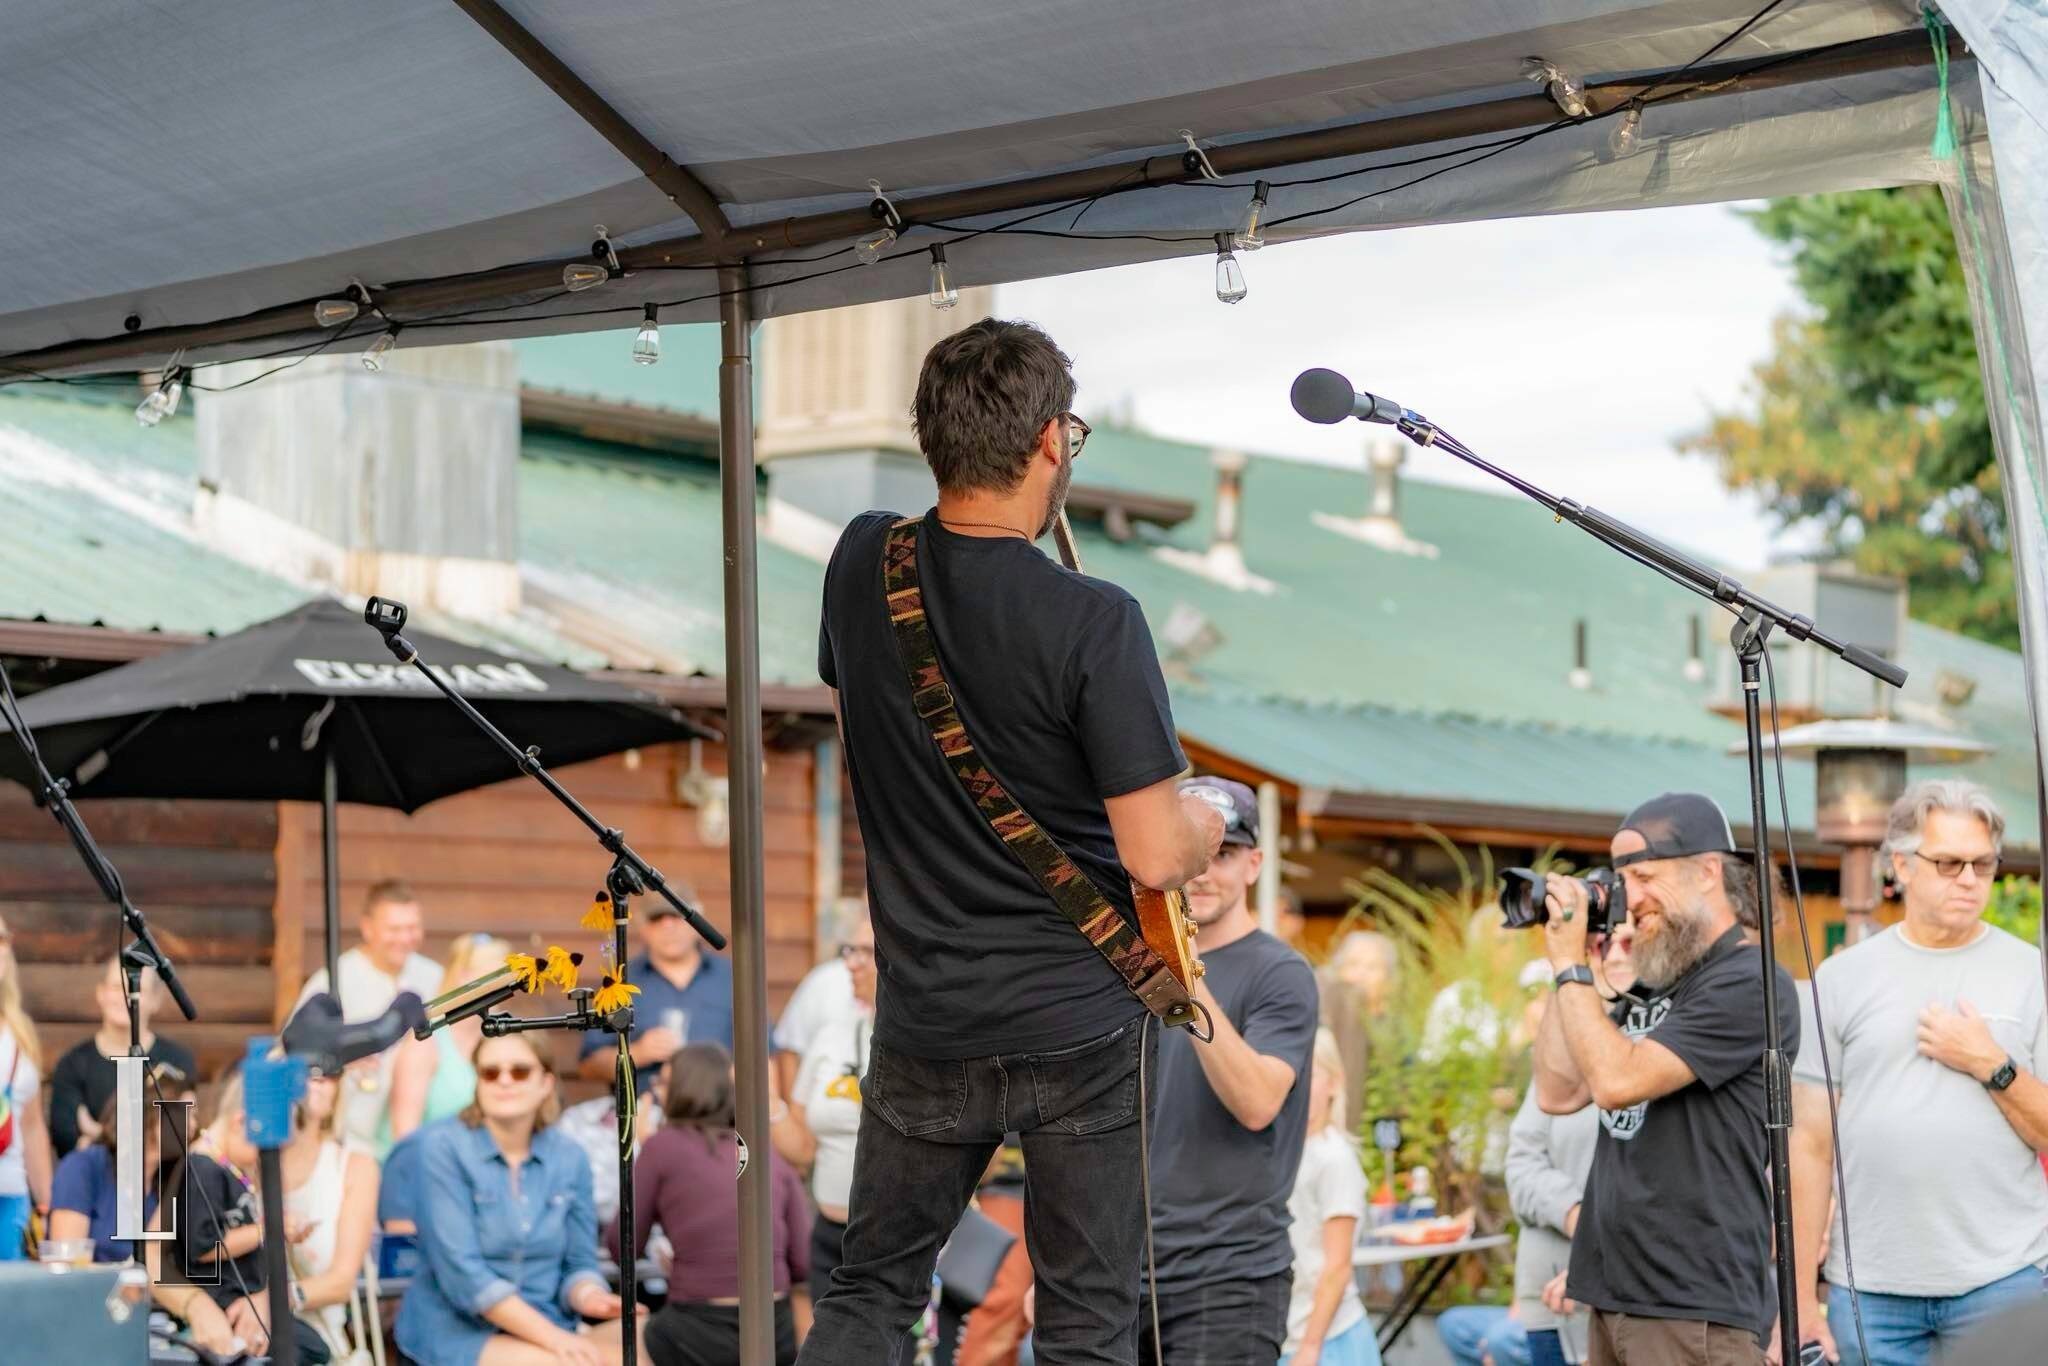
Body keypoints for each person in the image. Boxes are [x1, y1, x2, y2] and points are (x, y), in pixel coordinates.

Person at [800, 319, 1224, 1366]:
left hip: (925, 1006)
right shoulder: (1094, 621)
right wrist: (1212, 811)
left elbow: (860, 733)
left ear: (929, 438)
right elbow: (1157, 856)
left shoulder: (863, 563)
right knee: (1083, 1317)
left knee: (868, 1291)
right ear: (1050, 442)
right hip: (1078, 1019)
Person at [1533, 791, 1800, 1365]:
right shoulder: (1657, 983)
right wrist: (1574, 959)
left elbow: (1614, 1082)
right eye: (1622, 881)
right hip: (1617, 1293)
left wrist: (1569, 967)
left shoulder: (1750, 980)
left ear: (1708, 872)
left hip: (1692, 1304)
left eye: (1646, 876)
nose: (1631, 899)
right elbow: (1559, 1092)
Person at [1789, 779, 2048, 1366]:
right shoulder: (1840, 978)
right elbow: (1808, 1144)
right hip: (1870, 1289)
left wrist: (1992, 1065)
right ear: (1901, 865)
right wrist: (1802, 1294)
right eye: (1949, 862)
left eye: (1983, 864)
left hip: (2003, 1278)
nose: (1969, 879)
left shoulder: (2032, 973)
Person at [1142, 776, 1319, 1365]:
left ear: (1255, 864)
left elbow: (1258, 1101)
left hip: (1228, 1277)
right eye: (1191, 855)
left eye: (1224, 854)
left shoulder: (1281, 973)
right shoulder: (1131, 968)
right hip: (1119, 1274)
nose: (1203, 872)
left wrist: (1185, 976)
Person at [396, 1032, 637, 1366]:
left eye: (520, 1071)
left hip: (547, 1321)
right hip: (459, 1330)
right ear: (477, 1083)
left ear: (546, 1083)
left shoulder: (570, 1157)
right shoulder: (442, 1148)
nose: (504, 1081)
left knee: (644, 1348)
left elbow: (579, 1263)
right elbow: (465, 1277)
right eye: (490, 1072)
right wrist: (555, 1339)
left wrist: (590, 1296)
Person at [612, 1043, 812, 1366]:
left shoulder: (662, 1146)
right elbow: (802, 1260)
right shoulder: (762, 1149)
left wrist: (640, 1150)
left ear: (683, 1089)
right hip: (775, 1332)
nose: (657, 1092)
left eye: (663, 1082)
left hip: (694, 1330)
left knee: (594, 1345)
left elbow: (622, 1247)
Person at [1495, 929, 1636, 1366]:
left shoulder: (1670, 1040)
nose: (1614, 956)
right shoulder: (1565, 1046)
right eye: (1603, 945)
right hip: (1554, 1299)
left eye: (1628, 944)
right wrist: (1578, 1214)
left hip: (1639, 1299)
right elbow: (1521, 1164)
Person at [160, 1066, 333, 1365]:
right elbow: (202, 1247)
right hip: (226, 1303)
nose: (268, 1158)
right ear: (241, 1122)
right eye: (266, 1148)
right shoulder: (203, 1169)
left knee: (315, 1349)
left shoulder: (230, 1170)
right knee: (302, 1352)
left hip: (249, 1297)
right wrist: (267, 1230)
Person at [771, 909, 876, 1305]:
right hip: (829, 1233)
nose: (851, 963)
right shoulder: (830, 1036)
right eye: (850, 950)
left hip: (895, 1244)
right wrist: (769, 1106)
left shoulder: (924, 1041)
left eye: (866, 952)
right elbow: (803, 1148)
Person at [294, 880, 444, 1149]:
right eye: (394, 929)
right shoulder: (333, 981)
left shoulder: (433, 976)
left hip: (417, 1130)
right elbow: (297, 1048)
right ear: (368, 928)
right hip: (350, 1136)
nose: (405, 938)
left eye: (412, 928)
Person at [1280, 1027, 1377, 1366]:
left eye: (1311, 1073)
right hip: (1288, 1335)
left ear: (1334, 1083)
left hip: (1328, 1341)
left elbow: (1337, 1266)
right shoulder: (1286, 1152)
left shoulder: (1334, 1158)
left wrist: (1310, 1347)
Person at [578, 894, 734, 1095]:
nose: (667, 926)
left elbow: (765, 1058)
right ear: (643, 927)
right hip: (644, 1115)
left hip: (721, 1113)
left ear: (698, 923)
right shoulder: (618, 982)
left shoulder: (732, 977)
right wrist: (638, 1053)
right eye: (656, 918)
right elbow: (588, 1066)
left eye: (677, 916)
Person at [47, 954, 197, 1156]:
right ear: (101, 994)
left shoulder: (176, 1061)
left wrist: (99, 1134)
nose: (125, 996)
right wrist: (149, 1136)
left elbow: (175, 1140)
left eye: (137, 989)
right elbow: (67, 1140)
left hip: (161, 1185)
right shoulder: (73, 1065)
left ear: (156, 1000)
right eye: (117, 987)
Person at [49, 1062, 196, 1262]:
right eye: (184, 1112)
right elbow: (66, 1264)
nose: (192, 1125)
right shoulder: (84, 1167)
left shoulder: (176, 1178)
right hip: (96, 1291)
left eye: (194, 1115)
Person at [282, 1070, 381, 1364]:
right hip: (243, 1338)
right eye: (304, 1070)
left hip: (319, 1346)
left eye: (329, 1073)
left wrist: (271, 1302)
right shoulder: (246, 1159)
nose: (315, 1081)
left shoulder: (353, 1166)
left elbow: (341, 1281)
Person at [380, 932, 508, 1157]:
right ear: (465, 977)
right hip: (423, 1169)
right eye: (495, 981)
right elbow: (404, 1134)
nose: (505, 992)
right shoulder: (426, 1041)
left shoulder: (498, 1039)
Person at [0, 910, 53, 1259]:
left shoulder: (19, 1031)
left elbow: (32, 1127)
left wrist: (47, 1204)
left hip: (11, 1199)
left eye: (3, 939)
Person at [773, 906, 860, 1099]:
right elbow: (790, 1050)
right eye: (853, 950)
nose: (854, 963)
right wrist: (797, 1121)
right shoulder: (825, 980)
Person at [1317, 929, 1398, 1139]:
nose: (1361, 974)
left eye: (1372, 967)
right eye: (1352, 965)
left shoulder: (1397, 1027)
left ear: (1388, 980)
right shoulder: (1325, 1025)